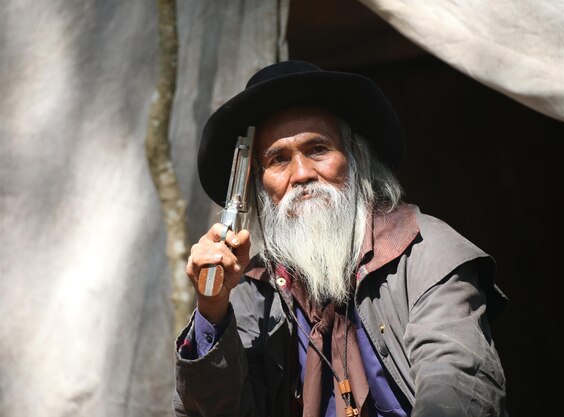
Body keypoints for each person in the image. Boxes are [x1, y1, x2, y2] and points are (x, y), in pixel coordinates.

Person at [174, 60, 508, 417]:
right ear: (259, 186)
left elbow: (457, 386)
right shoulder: (255, 290)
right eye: (278, 160)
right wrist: (212, 308)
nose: (301, 174)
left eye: (318, 149)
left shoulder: (428, 252)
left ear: (355, 158)